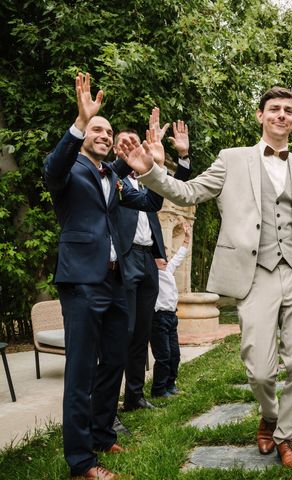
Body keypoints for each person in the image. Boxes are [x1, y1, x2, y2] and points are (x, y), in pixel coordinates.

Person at [118, 86, 292, 467]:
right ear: (260, 115)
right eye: (274, 109)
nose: (281, 115)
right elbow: (187, 193)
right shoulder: (231, 159)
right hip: (254, 274)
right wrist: (151, 171)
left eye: (288, 110)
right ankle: (269, 414)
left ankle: (287, 435)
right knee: (260, 368)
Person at [44, 73, 163, 479]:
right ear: (83, 134)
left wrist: (156, 165)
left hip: (115, 280)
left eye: (108, 130)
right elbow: (51, 168)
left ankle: (101, 432)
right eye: (97, 128)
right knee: (80, 372)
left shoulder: (113, 177)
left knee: (114, 360)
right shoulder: (69, 168)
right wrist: (80, 120)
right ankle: (81, 462)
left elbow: (150, 200)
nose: (105, 134)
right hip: (81, 282)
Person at [110, 109, 192, 412]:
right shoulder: (111, 178)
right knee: (126, 329)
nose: (130, 146)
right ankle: (112, 398)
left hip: (149, 260)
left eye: (135, 141)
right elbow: (112, 175)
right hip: (126, 257)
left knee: (143, 331)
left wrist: (180, 156)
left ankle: (135, 397)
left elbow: (175, 186)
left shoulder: (145, 180)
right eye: (124, 142)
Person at [150, 222, 191, 398]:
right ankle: (158, 390)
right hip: (157, 318)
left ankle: (170, 384)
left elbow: (180, 255)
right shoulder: (151, 272)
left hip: (171, 317)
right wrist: (152, 263)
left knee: (175, 354)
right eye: (162, 256)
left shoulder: (169, 269)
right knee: (163, 356)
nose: (166, 258)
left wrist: (186, 238)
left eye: (166, 255)